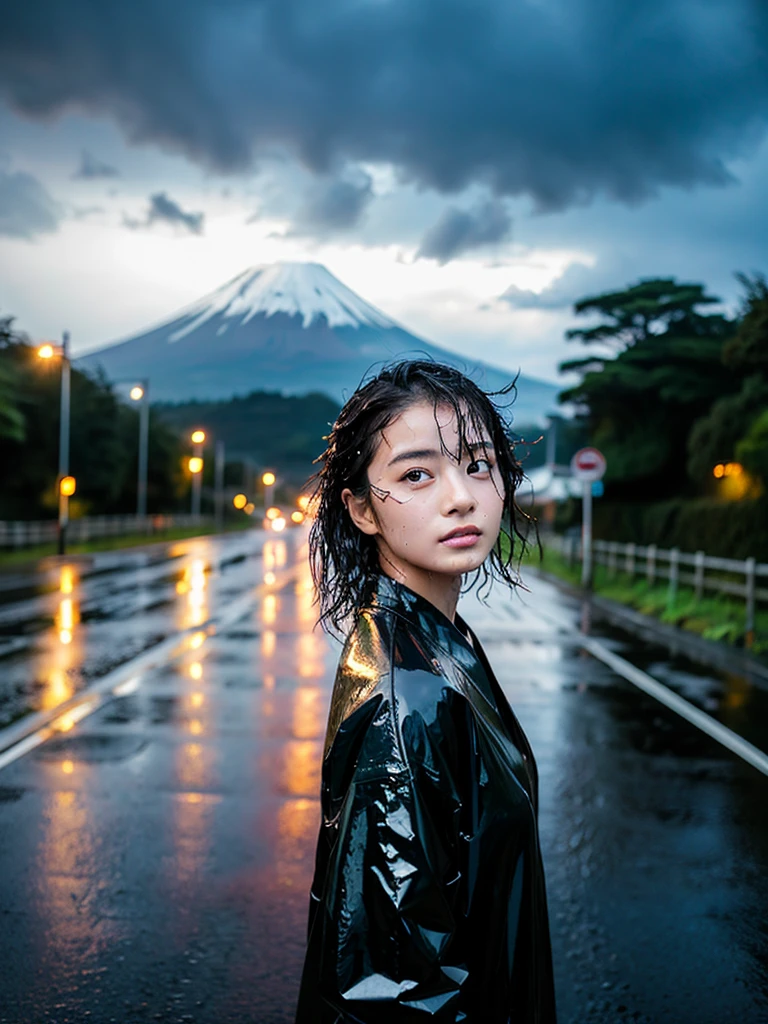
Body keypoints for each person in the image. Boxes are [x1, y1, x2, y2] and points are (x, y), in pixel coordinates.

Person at [295, 360, 557, 1023]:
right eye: (417, 474)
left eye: (477, 464)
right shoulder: (404, 696)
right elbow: (395, 991)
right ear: (360, 510)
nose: (461, 496)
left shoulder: (439, 640)